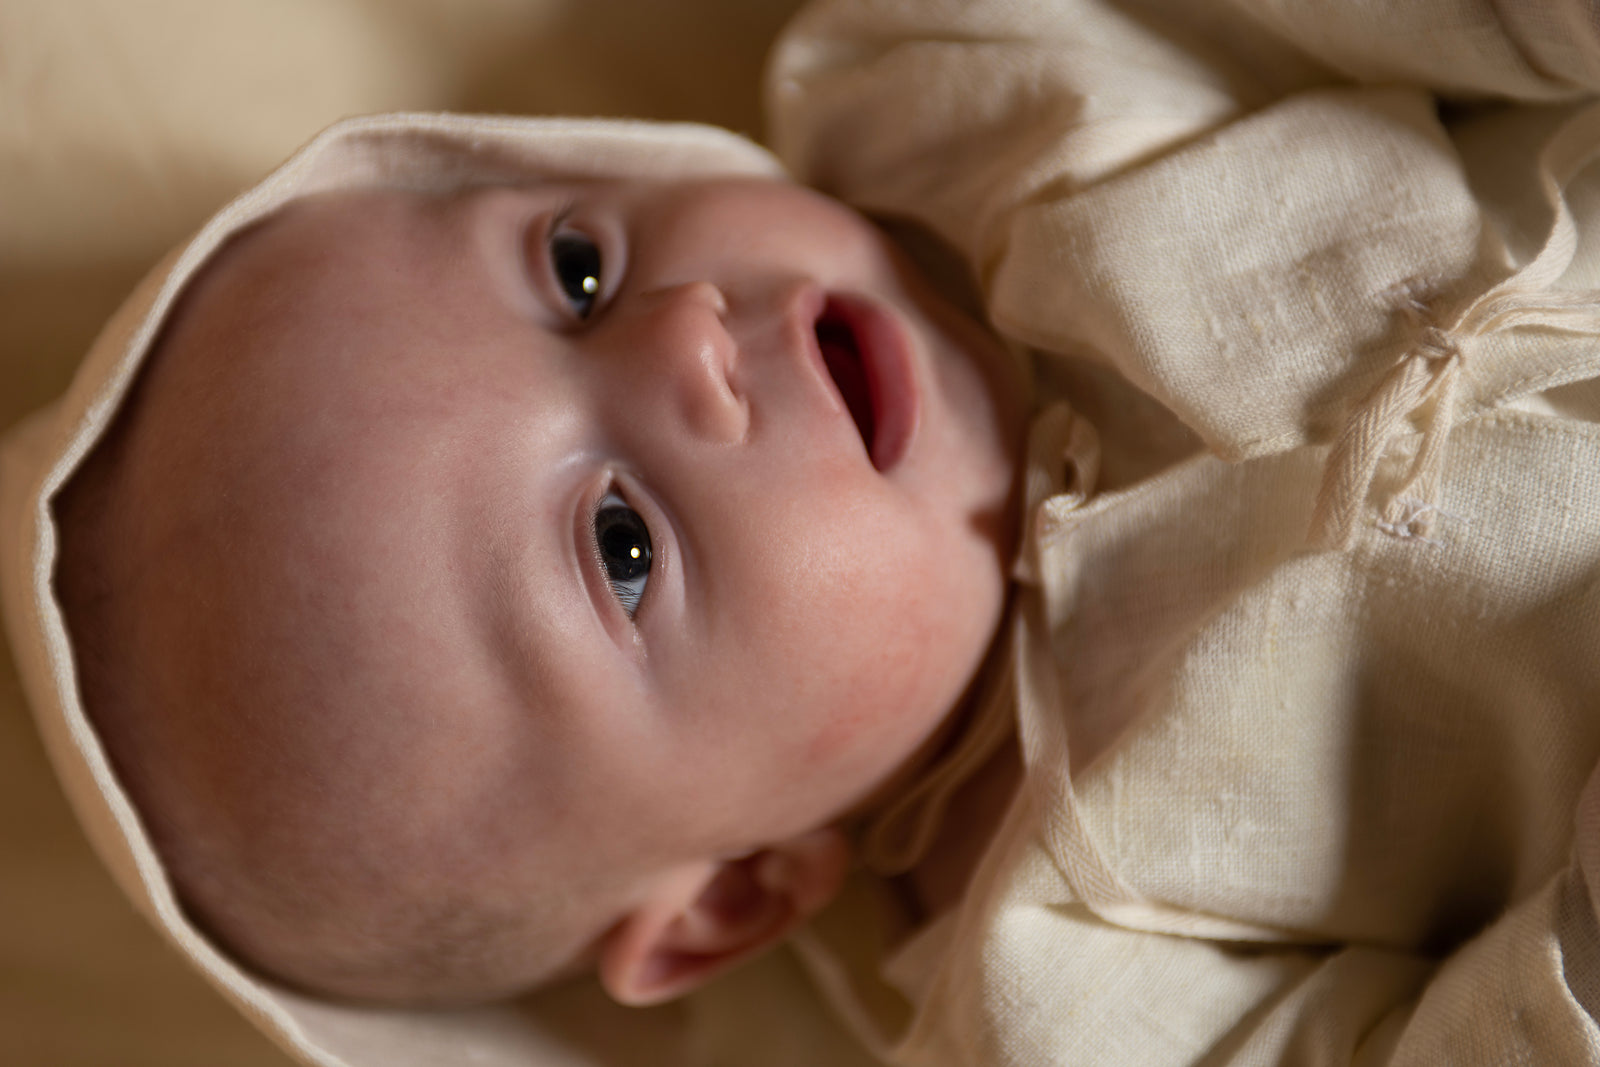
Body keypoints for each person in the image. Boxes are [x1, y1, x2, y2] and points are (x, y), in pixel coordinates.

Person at [8, 3, 1600, 1066]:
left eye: (575, 270)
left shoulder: (956, 85)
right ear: (735, 898)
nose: (683, 335)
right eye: (619, 548)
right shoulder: (1058, 984)